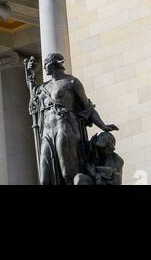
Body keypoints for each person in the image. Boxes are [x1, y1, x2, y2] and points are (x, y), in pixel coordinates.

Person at [33, 52, 118, 186]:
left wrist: (103, 126)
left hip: (65, 128)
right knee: (45, 178)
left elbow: (88, 108)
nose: (44, 67)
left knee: (68, 175)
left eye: (45, 64)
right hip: (47, 133)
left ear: (54, 64)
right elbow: (35, 105)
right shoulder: (43, 87)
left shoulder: (71, 82)